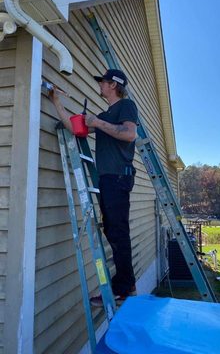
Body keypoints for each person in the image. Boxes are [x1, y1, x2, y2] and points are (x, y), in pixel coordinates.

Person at [49, 69, 138, 305]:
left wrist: (97, 122)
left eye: (102, 82)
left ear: (112, 85)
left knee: (117, 232)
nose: (100, 86)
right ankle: (127, 283)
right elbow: (76, 129)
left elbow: (130, 134)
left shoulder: (125, 106)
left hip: (119, 176)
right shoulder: (105, 113)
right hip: (108, 179)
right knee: (112, 230)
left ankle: (124, 287)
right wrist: (56, 102)